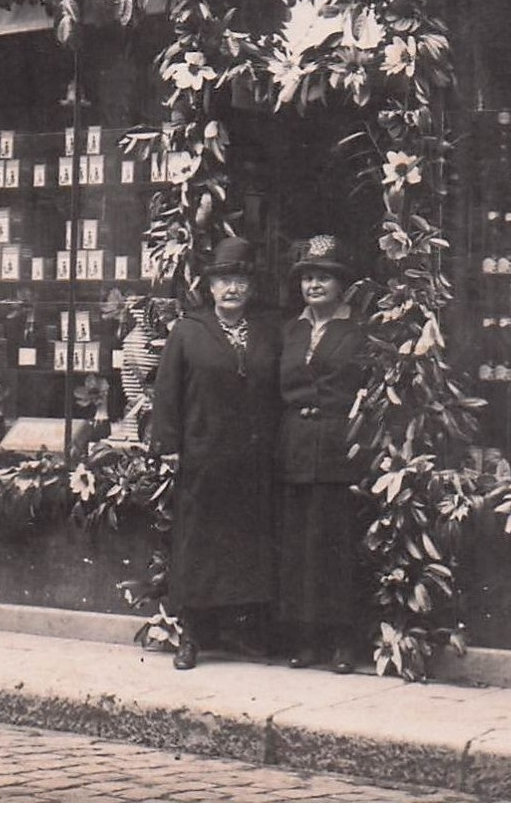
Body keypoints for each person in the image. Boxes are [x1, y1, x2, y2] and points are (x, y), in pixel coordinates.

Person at [151, 236, 281, 670]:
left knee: (244, 546)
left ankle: (236, 632)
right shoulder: (189, 331)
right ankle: (192, 636)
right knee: (199, 545)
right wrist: (168, 446)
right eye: (224, 279)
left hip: (252, 460)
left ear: (251, 288)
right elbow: (166, 393)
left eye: (240, 280)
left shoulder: (267, 332)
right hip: (204, 457)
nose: (232, 289)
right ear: (210, 286)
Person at [276, 235, 369, 674]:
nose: (314, 285)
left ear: (340, 285)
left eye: (324, 277)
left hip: (338, 445)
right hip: (295, 445)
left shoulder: (358, 331)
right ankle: (305, 639)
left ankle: (343, 642)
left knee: (336, 545)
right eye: (308, 277)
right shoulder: (290, 330)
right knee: (299, 547)